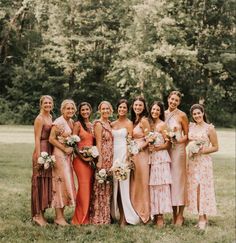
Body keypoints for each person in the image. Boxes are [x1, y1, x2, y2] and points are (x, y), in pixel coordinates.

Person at [187, 104, 218, 230]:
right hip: (192, 162)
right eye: (194, 114)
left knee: (202, 188)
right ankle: (203, 217)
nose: (197, 116)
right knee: (195, 189)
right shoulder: (191, 126)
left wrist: (201, 150)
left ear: (203, 113)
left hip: (204, 162)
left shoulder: (209, 128)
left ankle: (202, 219)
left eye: (198, 113)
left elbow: (216, 147)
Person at [111, 99, 140, 226]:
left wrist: (128, 158)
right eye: (120, 107)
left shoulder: (129, 123)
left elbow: (130, 141)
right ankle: (113, 214)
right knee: (114, 187)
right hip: (113, 155)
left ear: (127, 110)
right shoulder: (112, 124)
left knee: (123, 186)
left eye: (124, 108)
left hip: (123, 156)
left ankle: (124, 217)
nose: (122, 109)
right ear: (117, 108)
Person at [49, 99, 77, 226]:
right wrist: (64, 148)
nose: (70, 110)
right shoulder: (58, 122)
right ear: (62, 110)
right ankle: (58, 217)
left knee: (65, 185)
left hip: (67, 158)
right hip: (59, 156)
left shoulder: (71, 121)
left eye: (72, 108)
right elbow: (51, 139)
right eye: (68, 108)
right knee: (59, 186)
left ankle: (61, 216)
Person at [165, 91, 188, 226]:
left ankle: (181, 215)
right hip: (167, 150)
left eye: (176, 101)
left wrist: (177, 140)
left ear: (179, 103)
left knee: (180, 181)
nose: (173, 102)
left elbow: (187, 135)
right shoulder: (164, 114)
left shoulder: (182, 115)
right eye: (172, 99)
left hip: (178, 151)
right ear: (168, 99)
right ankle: (174, 213)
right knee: (171, 181)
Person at [148, 101, 172, 228]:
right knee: (153, 186)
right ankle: (155, 214)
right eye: (153, 109)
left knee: (161, 186)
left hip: (161, 159)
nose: (155, 112)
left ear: (160, 111)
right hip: (151, 159)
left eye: (157, 110)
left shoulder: (163, 125)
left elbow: (169, 144)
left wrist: (157, 148)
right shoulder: (149, 124)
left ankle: (161, 217)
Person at [90, 101, 113, 224]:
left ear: (110, 110)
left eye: (107, 108)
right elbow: (98, 143)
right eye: (103, 109)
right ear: (99, 110)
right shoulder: (98, 124)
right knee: (100, 184)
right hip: (103, 157)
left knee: (107, 185)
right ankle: (98, 216)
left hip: (111, 158)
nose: (105, 111)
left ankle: (106, 215)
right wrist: (99, 160)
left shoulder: (109, 123)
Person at [31, 95, 54, 226]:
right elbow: (37, 138)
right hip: (41, 151)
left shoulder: (50, 117)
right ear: (41, 104)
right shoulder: (39, 119)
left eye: (50, 103)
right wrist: (39, 157)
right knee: (39, 183)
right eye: (45, 103)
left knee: (46, 182)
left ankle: (42, 214)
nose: (48, 105)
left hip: (49, 152)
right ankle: (37, 215)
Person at [71, 102, 94, 225]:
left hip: (91, 161)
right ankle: (80, 219)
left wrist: (92, 157)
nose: (85, 112)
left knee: (89, 188)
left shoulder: (91, 125)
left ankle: (88, 216)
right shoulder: (77, 124)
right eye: (82, 110)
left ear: (90, 110)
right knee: (84, 187)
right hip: (80, 161)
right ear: (79, 112)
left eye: (87, 109)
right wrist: (83, 157)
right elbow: (73, 144)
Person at [130, 96, 151, 224]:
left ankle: (145, 213)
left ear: (144, 108)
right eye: (136, 105)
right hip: (133, 155)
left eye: (140, 106)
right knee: (135, 183)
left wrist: (138, 148)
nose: (137, 107)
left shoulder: (144, 121)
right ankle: (135, 211)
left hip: (142, 154)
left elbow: (149, 139)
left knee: (143, 183)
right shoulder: (133, 120)